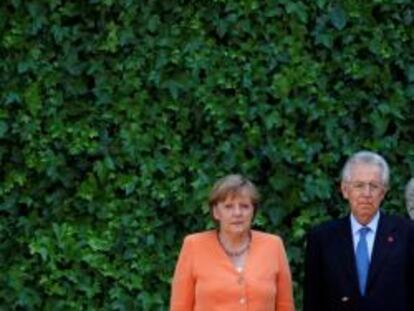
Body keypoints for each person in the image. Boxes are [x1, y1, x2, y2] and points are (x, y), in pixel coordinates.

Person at [303, 151, 414, 311]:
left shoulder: (407, 234)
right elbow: (313, 301)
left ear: (383, 192)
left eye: (374, 186)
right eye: (359, 185)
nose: (366, 194)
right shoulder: (322, 238)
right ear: (345, 190)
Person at [170, 174, 295, 311]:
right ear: (216, 212)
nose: (237, 213)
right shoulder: (194, 245)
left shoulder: (273, 246)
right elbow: (179, 307)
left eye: (244, 206)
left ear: (253, 211)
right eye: (228, 206)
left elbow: (285, 306)